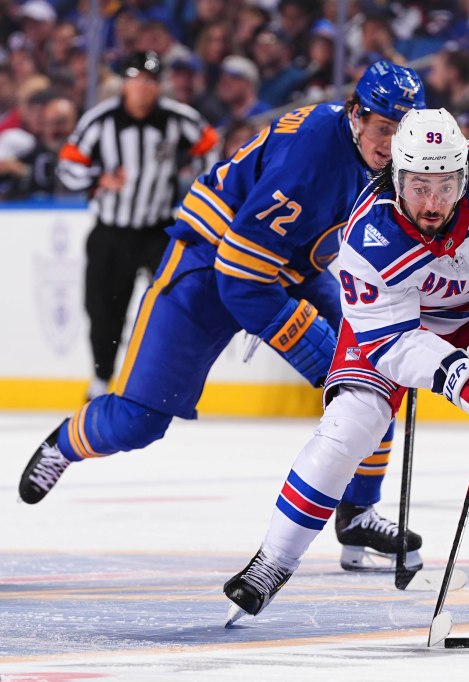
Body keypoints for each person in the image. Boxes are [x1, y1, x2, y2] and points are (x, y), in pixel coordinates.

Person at [20, 61, 430, 575]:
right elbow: (240, 276)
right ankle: (65, 442)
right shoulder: (313, 158)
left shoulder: (387, 150)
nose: (393, 145)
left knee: (375, 373)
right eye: (383, 130)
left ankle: (357, 514)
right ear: (355, 116)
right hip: (210, 267)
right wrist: (310, 345)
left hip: (288, 264)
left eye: (403, 131)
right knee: (139, 420)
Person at [222, 107, 469, 624]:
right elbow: (393, 343)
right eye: (419, 186)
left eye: (446, 185)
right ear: (395, 177)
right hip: (398, 328)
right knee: (350, 428)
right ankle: (274, 561)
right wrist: (461, 377)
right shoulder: (369, 239)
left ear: (465, 173)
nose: (432, 203)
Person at [55, 52, 220, 401]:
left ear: (157, 85)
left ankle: (173, 379)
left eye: (150, 81)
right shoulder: (100, 121)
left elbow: (211, 148)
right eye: (136, 80)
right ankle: (102, 378)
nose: (143, 88)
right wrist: (99, 178)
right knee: (103, 310)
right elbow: (67, 167)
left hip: (157, 230)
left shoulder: (178, 118)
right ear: (124, 83)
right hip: (111, 232)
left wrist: (196, 185)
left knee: (178, 303)